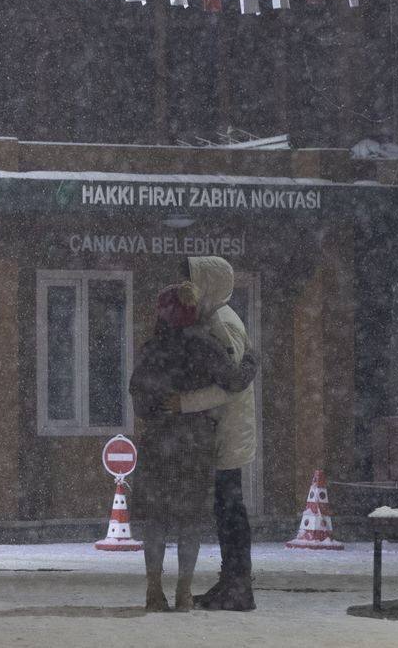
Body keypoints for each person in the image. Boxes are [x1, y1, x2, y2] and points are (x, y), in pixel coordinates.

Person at [130, 282, 258, 612]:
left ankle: (153, 590)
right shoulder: (207, 347)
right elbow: (233, 382)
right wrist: (252, 360)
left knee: (156, 520)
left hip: (159, 441)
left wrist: (158, 411)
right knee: (190, 520)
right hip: (196, 444)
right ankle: (184, 591)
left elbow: (140, 401)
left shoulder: (152, 350)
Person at [165, 256, 258, 611]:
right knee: (226, 508)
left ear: (209, 283)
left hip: (229, 429)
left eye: (193, 280)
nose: (187, 288)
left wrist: (184, 403)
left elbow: (231, 384)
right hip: (227, 427)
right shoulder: (215, 317)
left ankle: (238, 586)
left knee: (230, 509)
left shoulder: (222, 321)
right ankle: (233, 583)